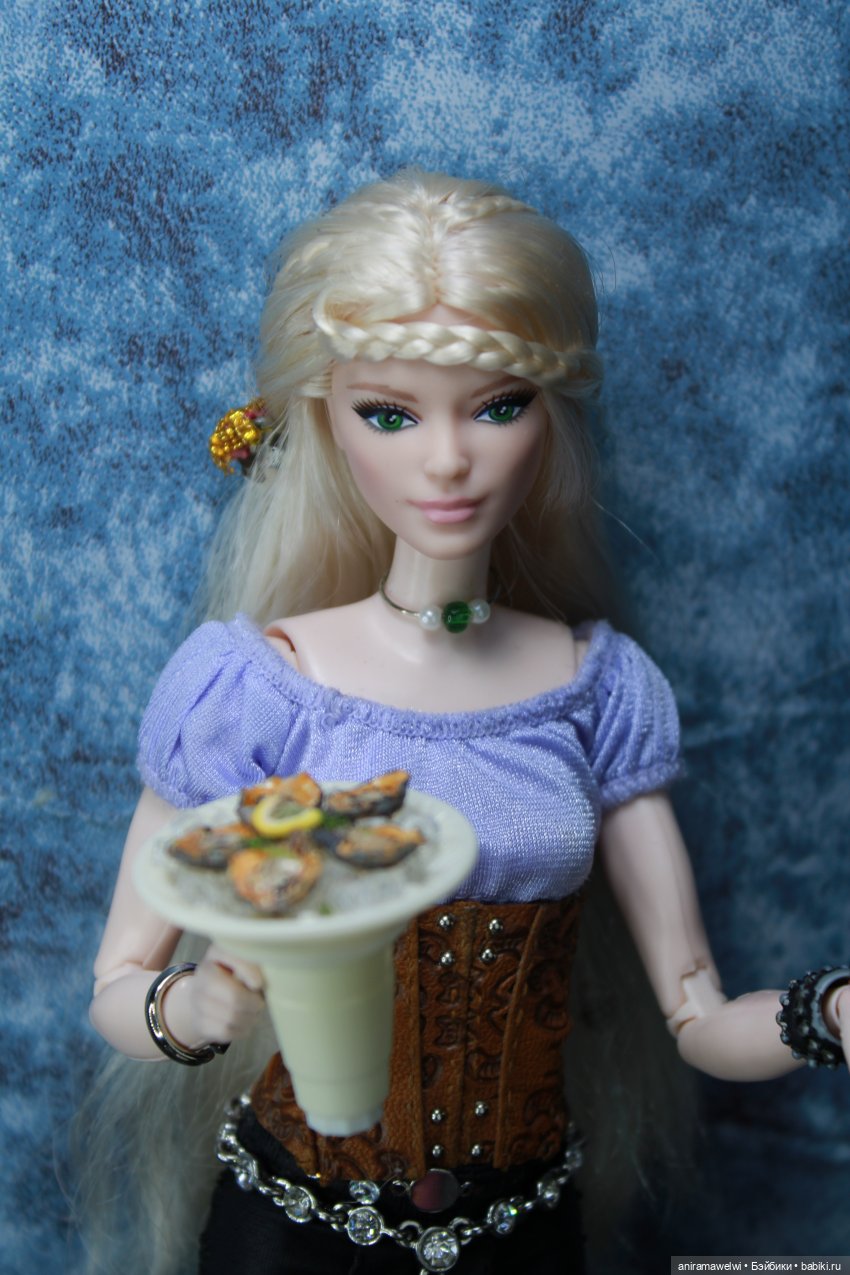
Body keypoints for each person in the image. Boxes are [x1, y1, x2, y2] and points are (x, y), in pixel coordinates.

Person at [86, 170, 849, 1275]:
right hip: (295, 1227)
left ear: (552, 415)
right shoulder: (257, 686)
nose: (446, 459)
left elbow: (701, 1019)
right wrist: (196, 1007)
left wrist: (826, 1013)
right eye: (389, 414)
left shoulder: (594, 689)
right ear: (323, 418)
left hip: (519, 1230)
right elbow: (117, 986)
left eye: (499, 405)